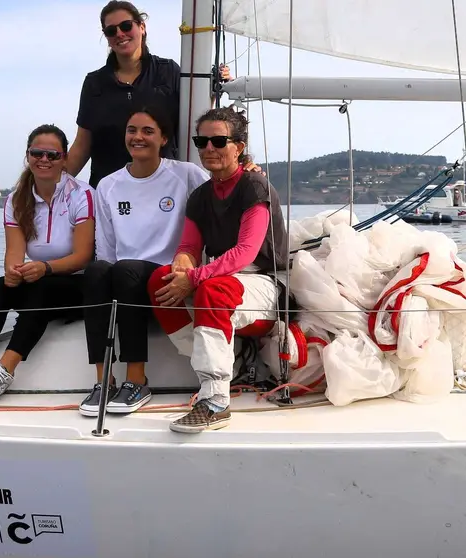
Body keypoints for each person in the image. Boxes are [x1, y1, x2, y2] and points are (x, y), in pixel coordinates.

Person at [149, 107, 289, 433]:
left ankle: (215, 399)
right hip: (224, 278)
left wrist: (195, 277)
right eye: (202, 141)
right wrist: (183, 268)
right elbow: (188, 248)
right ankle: (235, 358)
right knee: (159, 279)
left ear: (238, 147)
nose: (208, 148)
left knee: (212, 289)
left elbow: (245, 252)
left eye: (218, 140)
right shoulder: (200, 197)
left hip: (264, 281)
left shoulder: (255, 187)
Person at [0, 126, 96, 406]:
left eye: (52, 154)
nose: (43, 159)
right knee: (1, 285)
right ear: (27, 156)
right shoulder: (16, 199)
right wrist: (13, 271)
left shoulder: (82, 195)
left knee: (42, 286)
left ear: (64, 158)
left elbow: (82, 256)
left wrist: (44, 268)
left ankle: (5, 369)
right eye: (37, 153)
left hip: (82, 285)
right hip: (43, 280)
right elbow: (15, 253)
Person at [79, 105, 210, 416]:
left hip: (163, 277)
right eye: (132, 131)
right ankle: (104, 380)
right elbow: (107, 246)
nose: (138, 137)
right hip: (124, 278)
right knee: (98, 270)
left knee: (126, 270)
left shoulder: (186, 174)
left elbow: (221, 193)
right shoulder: (109, 185)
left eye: (147, 131)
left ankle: (137, 379)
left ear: (164, 138)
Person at [66, 0, 231, 187]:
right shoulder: (94, 83)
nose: (120, 34)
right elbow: (82, 146)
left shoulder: (169, 72)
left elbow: (196, 121)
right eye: (111, 31)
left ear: (142, 27)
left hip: (165, 191)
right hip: (109, 193)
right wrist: (50, 187)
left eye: (126, 26)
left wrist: (210, 90)